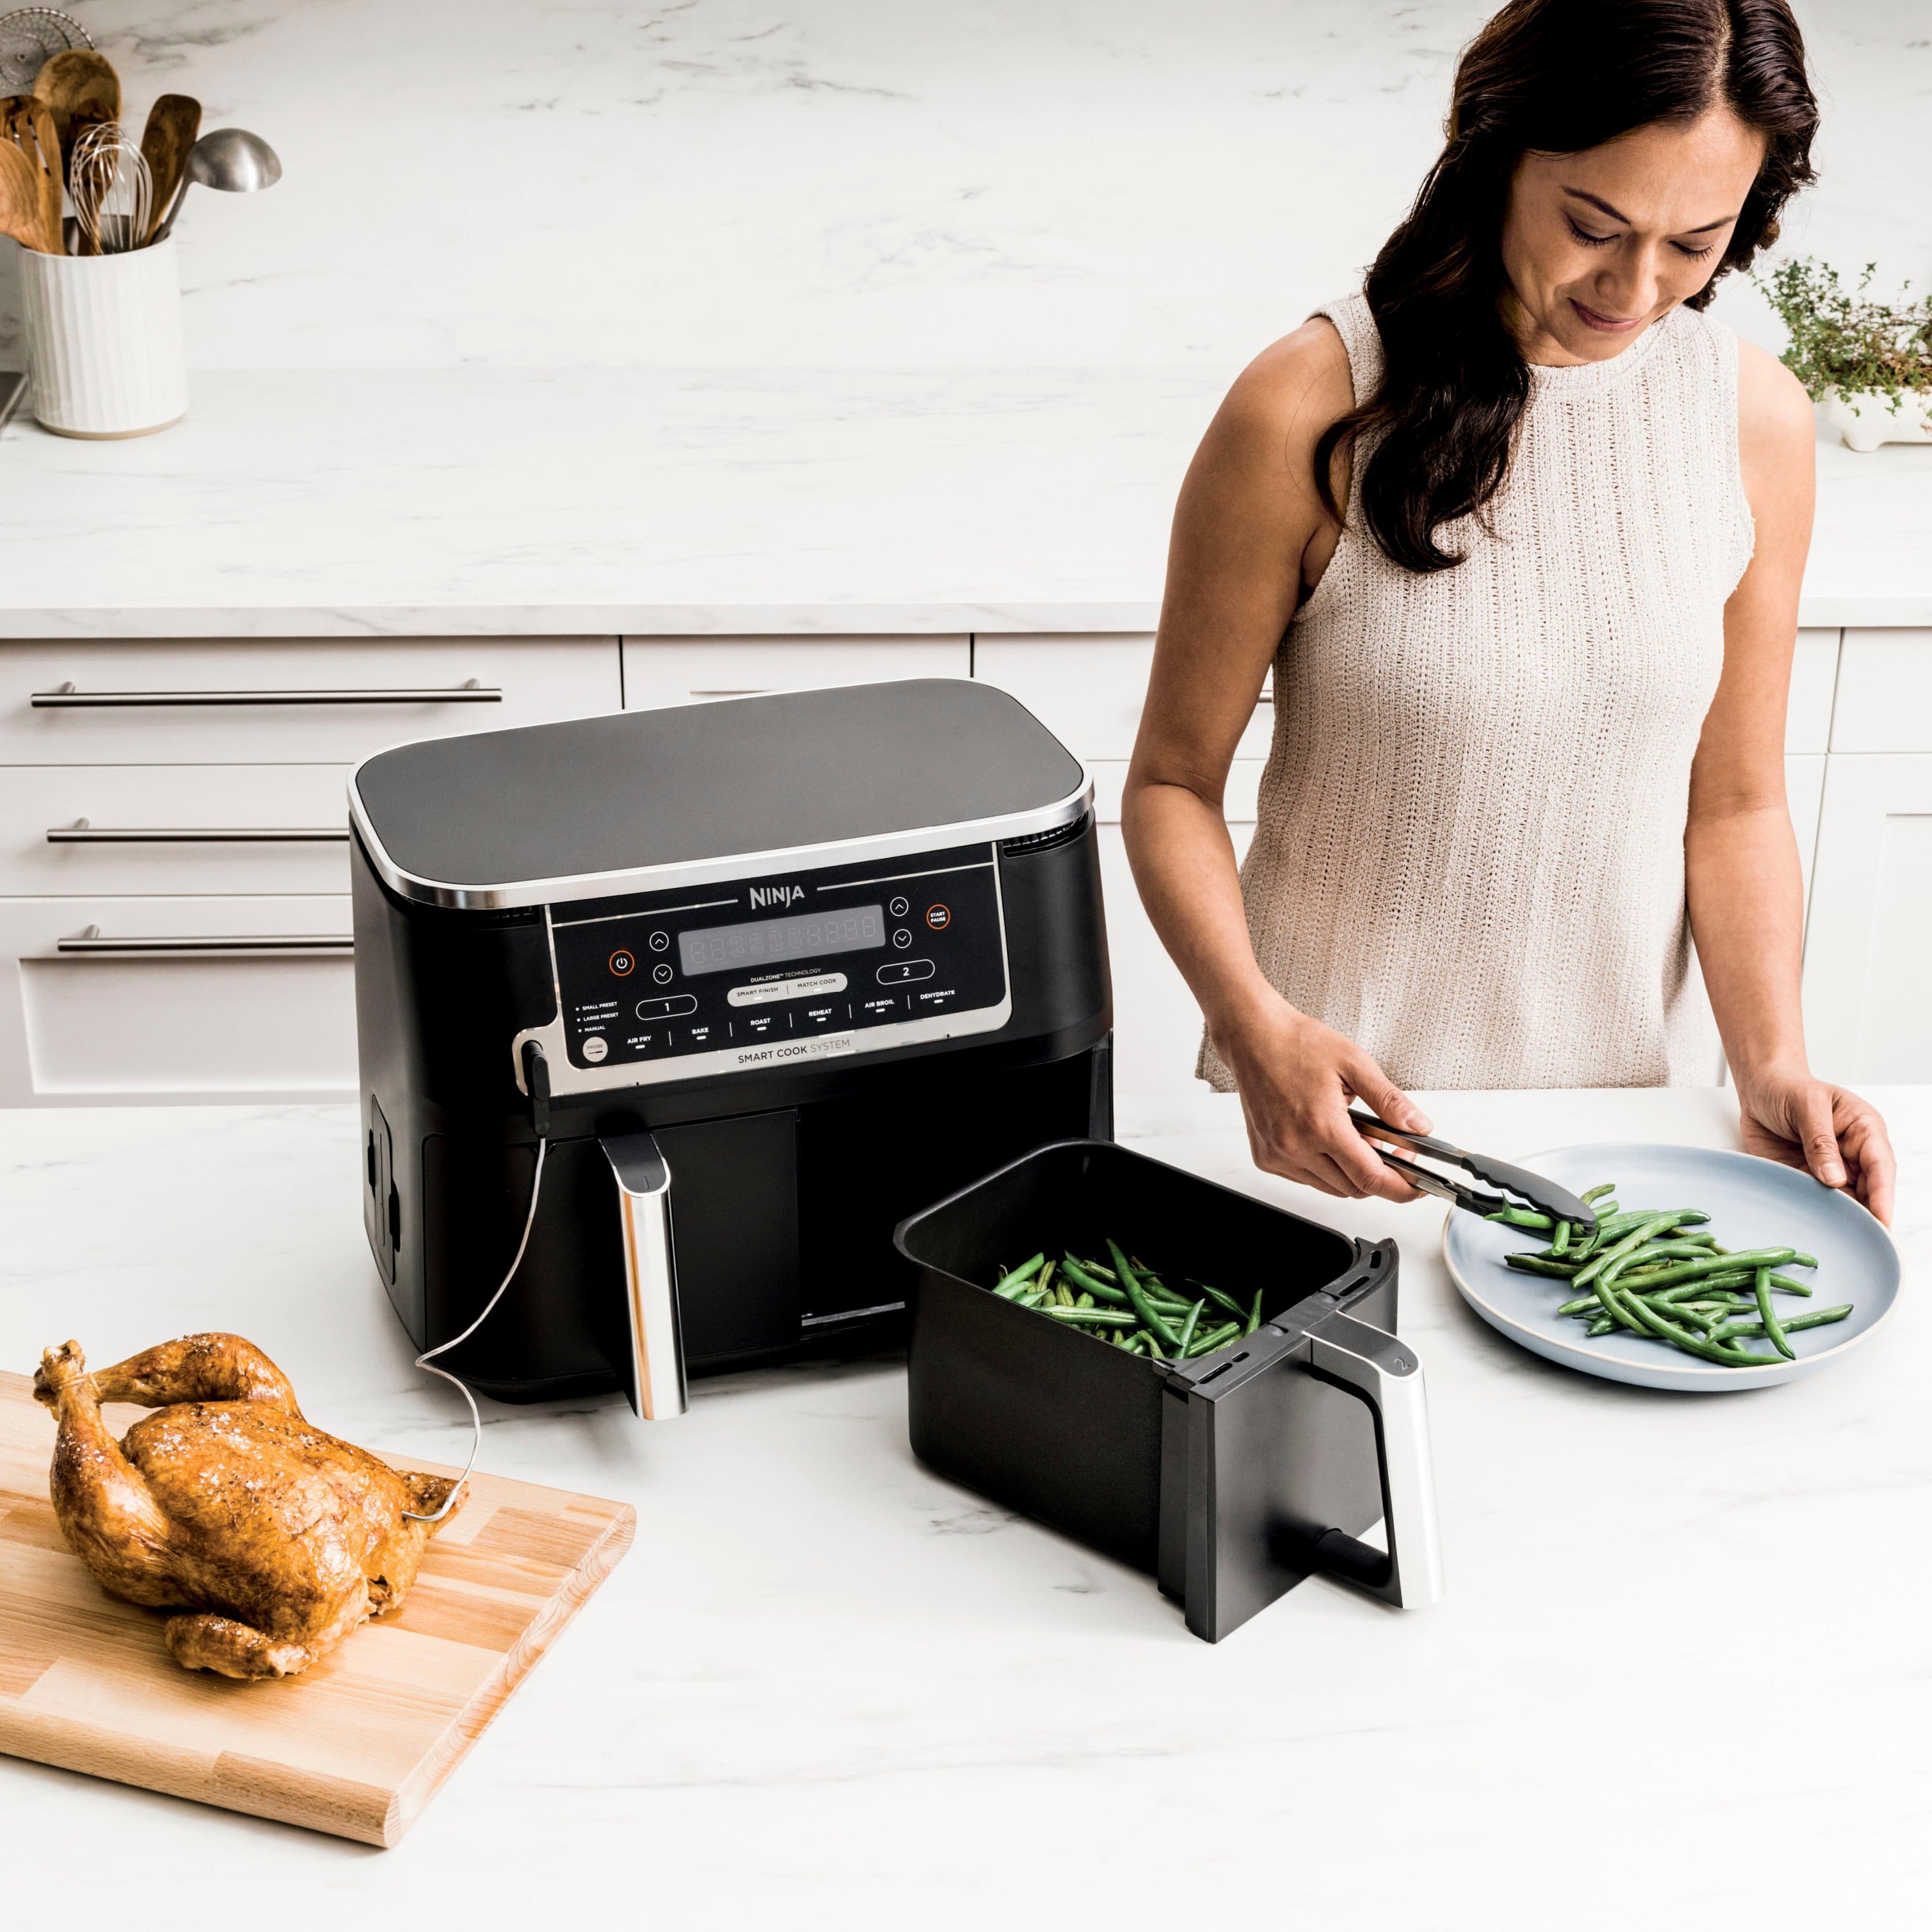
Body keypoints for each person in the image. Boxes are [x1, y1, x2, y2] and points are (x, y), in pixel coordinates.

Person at [1122, 0, 1895, 1223]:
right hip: (1334, 1128)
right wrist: (1253, 1023)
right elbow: (1169, 782)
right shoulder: (1309, 403)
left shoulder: (1752, 421)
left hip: (1622, 1135)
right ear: (1495, 156)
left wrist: (1772, 1064)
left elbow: (1734, 803)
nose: (1636, 288)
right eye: (1593, 225)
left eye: (1697, 241)